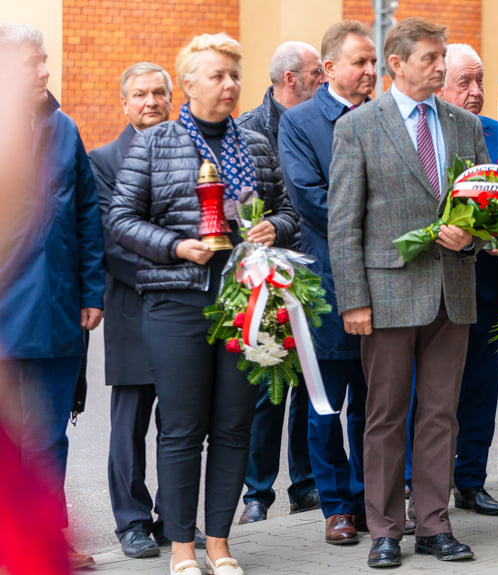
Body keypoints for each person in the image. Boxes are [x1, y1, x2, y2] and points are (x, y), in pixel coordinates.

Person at [109, 33, 299, 575]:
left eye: (234, 75)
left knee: (235, 425)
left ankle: (220, 543)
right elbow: (121, 220)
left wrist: (273, 227)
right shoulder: (154, 143)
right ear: (188, 84)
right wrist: (174, 246)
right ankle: (183, 548)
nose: (230, 85)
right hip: (176, 303)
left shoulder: (256, 144)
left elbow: (290, 215)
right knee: (183, 427)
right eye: (217, 76)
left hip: (244, 300)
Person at [328, 17, 489, 568]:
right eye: (429, 57)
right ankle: (384, 530)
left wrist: (471, 237)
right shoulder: (358, 127)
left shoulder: (465, 124)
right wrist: (353, 299)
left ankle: (434, 525)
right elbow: (344, 222)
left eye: (442, 56)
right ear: (396, 64)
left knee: (442, 414)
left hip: (453, 288)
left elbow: (486, 209)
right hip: (387, 291)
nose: (441, 66)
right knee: (385, 414)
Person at [0, 23, 104, 570]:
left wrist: (92, 291)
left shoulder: (64, 128)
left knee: (46, 440)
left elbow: (87, 212)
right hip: (5, 310)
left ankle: (47, 538)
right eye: (32, 62)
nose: (45, 71)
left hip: (60, 306)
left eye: (45, 61)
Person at [279, 20, 376, 545]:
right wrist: (380, 225)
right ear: (331, 69)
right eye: (359, 63)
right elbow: (311, 199)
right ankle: (335, 505)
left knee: (375, 405)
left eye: (373, 63)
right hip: (328, 285)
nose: (370, 72)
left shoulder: (386, 117)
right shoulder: (300, 122)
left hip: (384, 285)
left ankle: (368, 501)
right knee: (325, 406)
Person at [235, 39, 324, 526]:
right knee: (270, 387)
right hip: (267, 277)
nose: (324, 80)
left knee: (312, 385)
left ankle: (306, 484)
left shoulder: (321, 122)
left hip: (315, 271)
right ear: (291, 79)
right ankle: (258, 492)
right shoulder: (249, 131)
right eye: (316, 72)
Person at [89, 61, 172, 559]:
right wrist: (177, 273)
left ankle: (175, 519)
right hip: (134, 310)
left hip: (186, 314)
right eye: (139, 94)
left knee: (181, 425)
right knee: (129, 426)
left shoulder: (192, 153)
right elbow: (113, 242)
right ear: (124, 103)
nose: (150, 102)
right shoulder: (103, 161)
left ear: (171, 97)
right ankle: (132, 522)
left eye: (159, 92)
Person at [435, 42, 498, 516]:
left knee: (480, 386)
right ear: (438, 83)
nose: (477, 92)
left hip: (486, 282)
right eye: (465, 82)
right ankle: (417, 484)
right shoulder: (419, 132)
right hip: (433, 283)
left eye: (480, 81)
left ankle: (471, 478)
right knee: (429, 391)